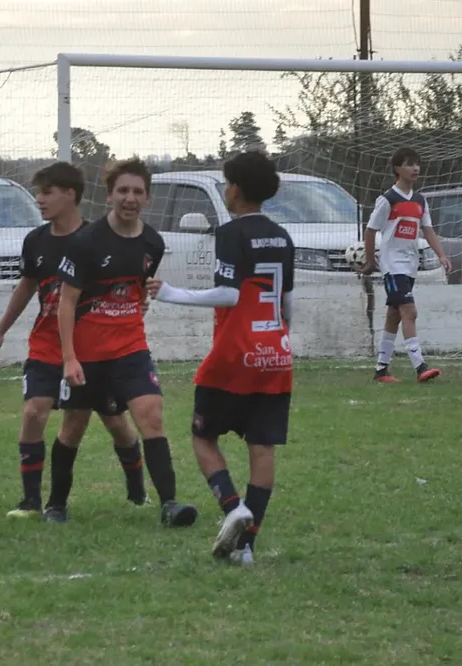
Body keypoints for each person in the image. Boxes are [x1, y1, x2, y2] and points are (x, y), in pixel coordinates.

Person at [149, 150, 294, 568]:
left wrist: (170, 293)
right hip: (276, 355)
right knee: (262, 447)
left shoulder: (231, 233)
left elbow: (229, 295)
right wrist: (275, 339)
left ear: (237, 189)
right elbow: (287, 304)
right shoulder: (282, 236)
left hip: (235, 354)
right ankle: (246, 547)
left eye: (228, 183)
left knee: (203, 437)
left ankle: (233, 508)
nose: (226, 189)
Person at [0, 162, 149, 520]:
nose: (39, 200)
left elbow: (130, 287)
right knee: (34, 411)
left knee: (114, 422)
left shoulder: (99, 238)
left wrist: (140, 302)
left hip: (89, 348)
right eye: (38, 193)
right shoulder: (36, 241)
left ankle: (137, 488)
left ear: (70, 194)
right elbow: (27, 286)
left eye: (47, 192)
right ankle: (31, 501)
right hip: (46, 345)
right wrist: (0, 332)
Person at [55, 157, 198, 528]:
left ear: (147, 198)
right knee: (73, 428)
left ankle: (169, 505)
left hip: (130, 349)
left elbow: (138, 289)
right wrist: (69, 358)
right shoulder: (86, 242)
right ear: (109, 195)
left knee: (151, 415)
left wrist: (140, 303)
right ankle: (56, 504)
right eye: (123, 191)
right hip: (87, 354)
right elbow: (66, 302)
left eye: (137, 191)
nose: (130, 198)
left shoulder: (154, 243)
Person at [360, 146, 451, 383]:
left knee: (394, 315)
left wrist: (441, 255)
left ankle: (381, 370)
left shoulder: (420, 200)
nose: (415, 168)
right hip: (392, 266)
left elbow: (428, 229)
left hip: (410, 265)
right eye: (410, 164)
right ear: (397, 169)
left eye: (417, 163)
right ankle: (420, 366)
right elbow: (370, 230)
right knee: (410, 311)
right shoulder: (387, 199)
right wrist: (371, 261)